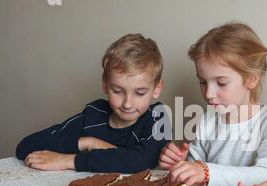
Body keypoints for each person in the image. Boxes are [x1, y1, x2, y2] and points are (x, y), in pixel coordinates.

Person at [159, 22, 267, 186]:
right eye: (202, 82)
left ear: (251, 79)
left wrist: (205, 172)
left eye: (221, 83)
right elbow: (196, 169)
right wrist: (181, 165)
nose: (208, 94)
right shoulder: (207, 120)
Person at [16, 33, 170, 173]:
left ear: (156, 89)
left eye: (140, 93)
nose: (127, 104)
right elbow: (25, 147)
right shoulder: (93, 115)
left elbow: (140, 162)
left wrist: (70, 160)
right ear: (105, 85)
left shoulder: (158, 117)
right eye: (117, 91)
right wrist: (86, 142)